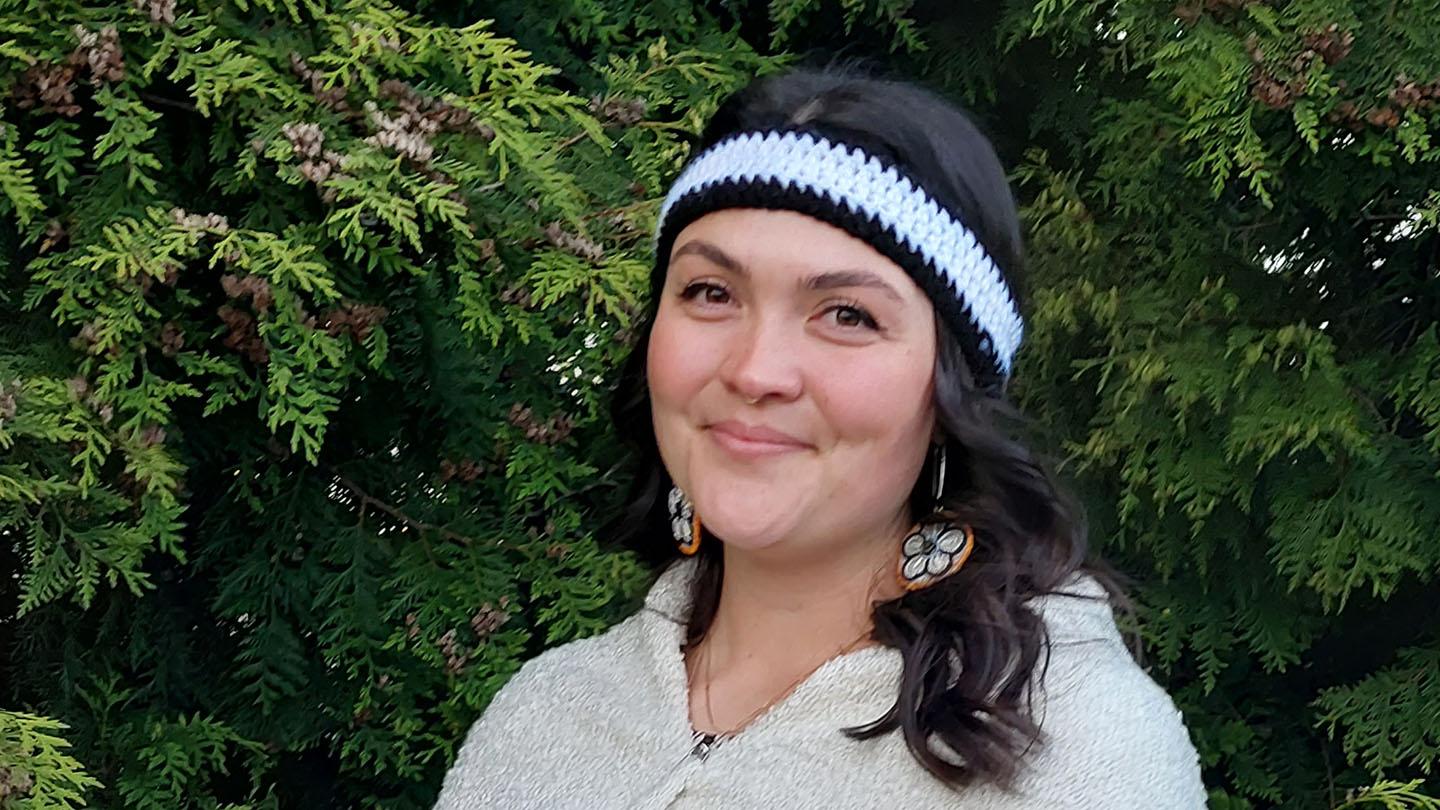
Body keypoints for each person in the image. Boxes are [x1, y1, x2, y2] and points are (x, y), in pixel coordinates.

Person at [433, 65, 1206, 809]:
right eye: (711, 292)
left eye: (847, 315)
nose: (756, 370)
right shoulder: (544, 714)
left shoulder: (1071, 757)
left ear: (950, 394)